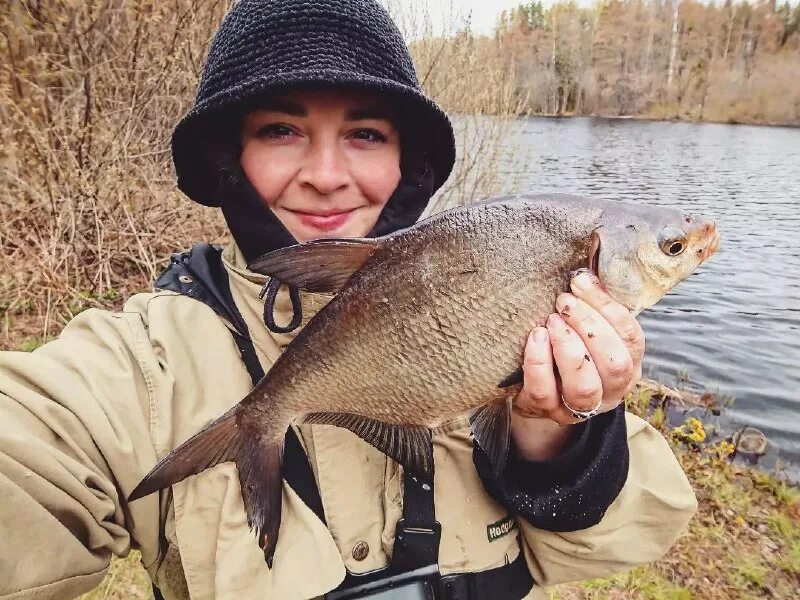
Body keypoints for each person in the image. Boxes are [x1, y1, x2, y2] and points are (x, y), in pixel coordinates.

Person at [0, 1, 697, 599]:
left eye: (365, 134)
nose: (328, 177)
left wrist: (555, 439)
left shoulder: (487, 294)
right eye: (280, 130)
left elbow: (620, 541)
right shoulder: (140, 365)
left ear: (404, 162)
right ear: (229, 158)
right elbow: (31, 456)